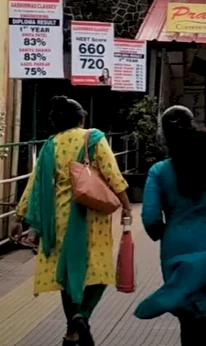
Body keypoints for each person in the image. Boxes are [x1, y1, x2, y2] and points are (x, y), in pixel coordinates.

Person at [11, 96, 132, 346]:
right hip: (91, 217)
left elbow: (35, 184)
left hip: (60, 218)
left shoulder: (50, 145)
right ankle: (82, 315)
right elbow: (112, 173)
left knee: (67, 275)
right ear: (81, 119)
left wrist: (18, 216)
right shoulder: (94, 138)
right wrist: (127, 204)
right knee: (99, 273)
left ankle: (72, 331)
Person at [135, 106, 206, 346]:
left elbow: (151, 220)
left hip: (178, 254)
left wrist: (167, 234)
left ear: (164, 136)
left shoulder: (159, 171)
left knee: (189, 328)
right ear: (195, 126)